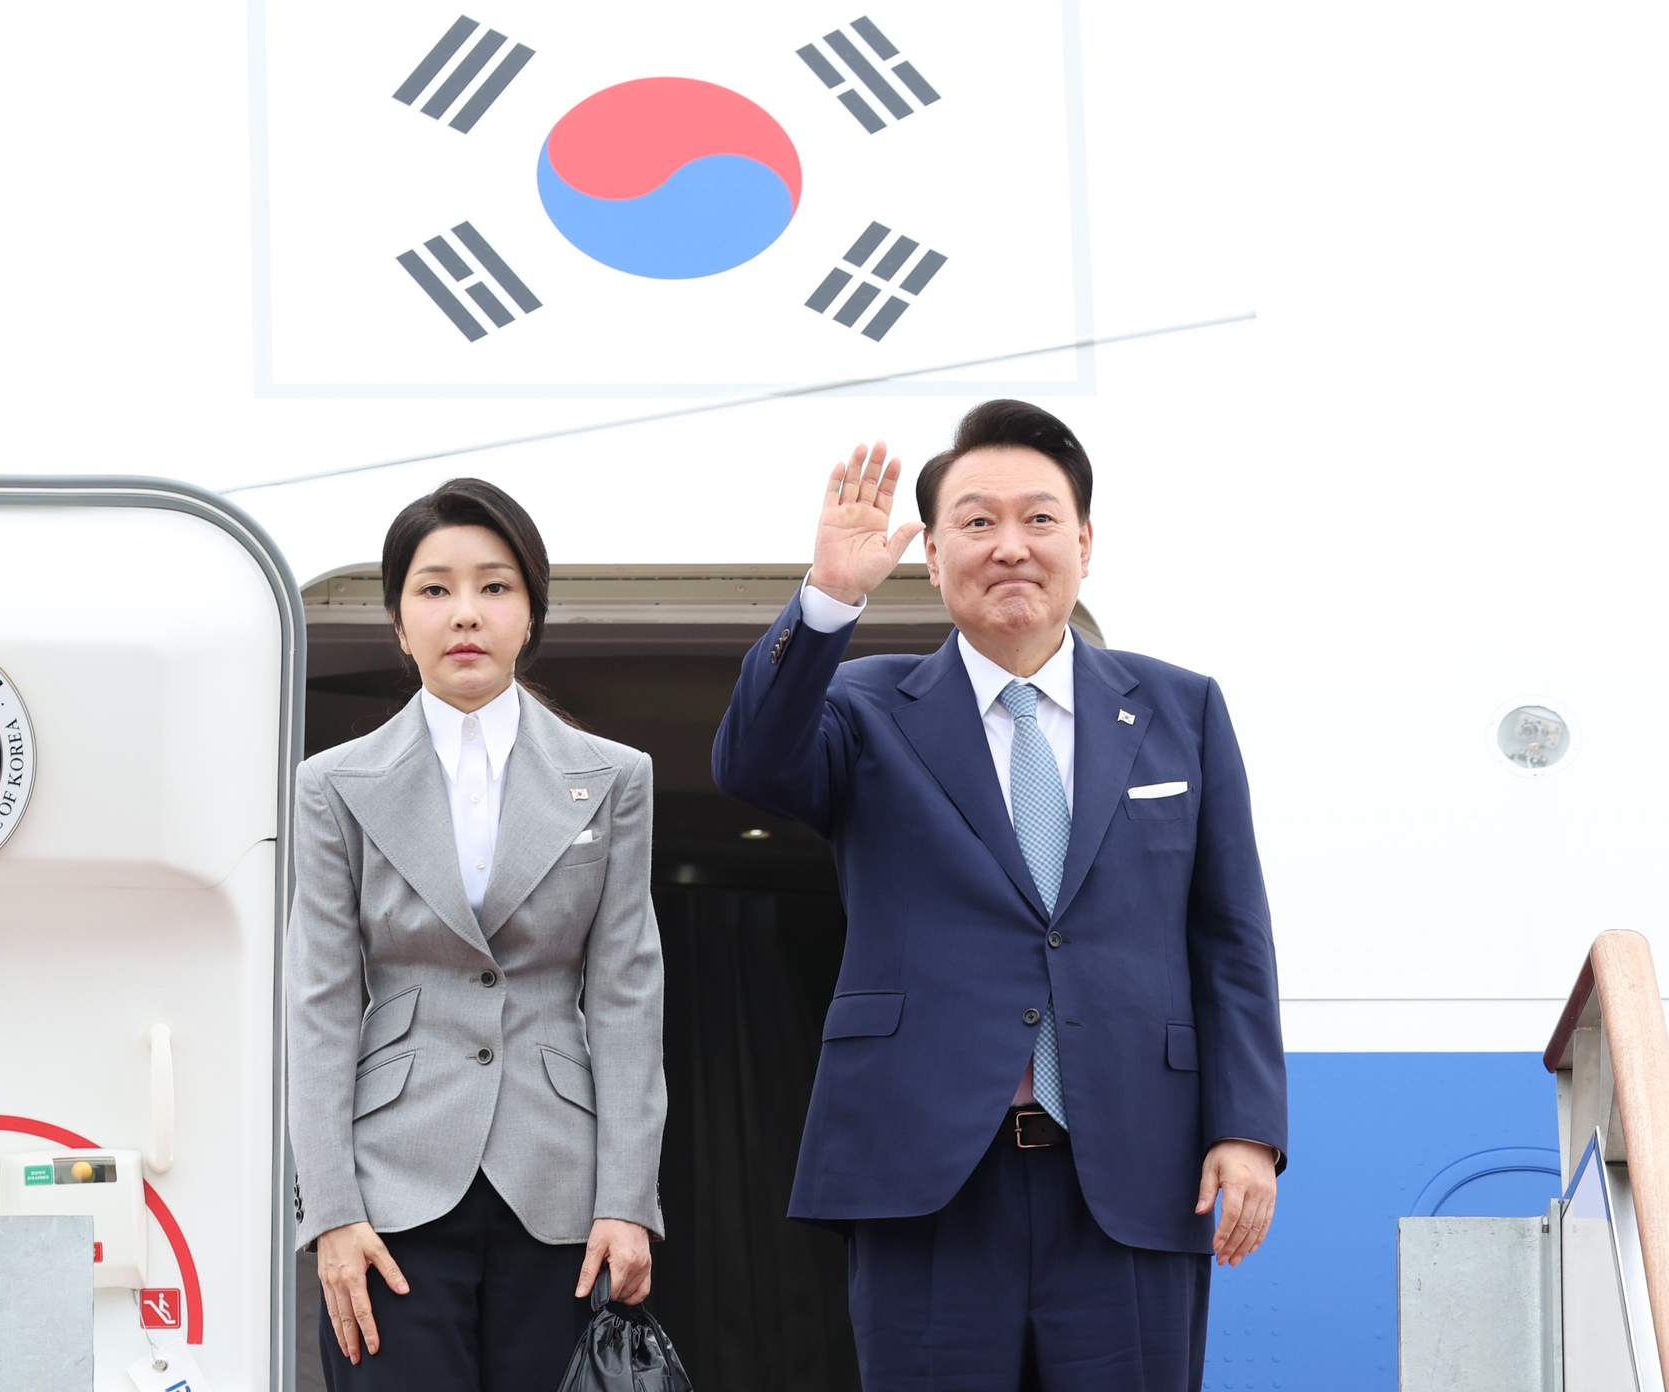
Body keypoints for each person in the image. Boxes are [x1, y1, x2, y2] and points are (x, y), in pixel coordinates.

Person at [712, 401, 1286, 1390]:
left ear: (1085, 543)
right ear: (931, 555)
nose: (1009, 546)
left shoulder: (1181, 710)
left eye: (1038, 519)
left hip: (1136, 1169)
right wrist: (826, 603)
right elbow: (752, 765)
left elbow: (1229, 939)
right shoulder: (864, 705)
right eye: (977, 523)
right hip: (928, 1176)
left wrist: (1247, 1131)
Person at [287, 478, 666, 1391]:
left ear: (530, 615)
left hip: (562, 1186)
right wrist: (331, 1211)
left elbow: (624, 993)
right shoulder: (333, 785)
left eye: (495, 587)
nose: (466, 613)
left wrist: (627, 1199)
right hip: (390, 1187)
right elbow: (321, 1003)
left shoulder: (612, 778)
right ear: (397, 619)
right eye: (434, 589)